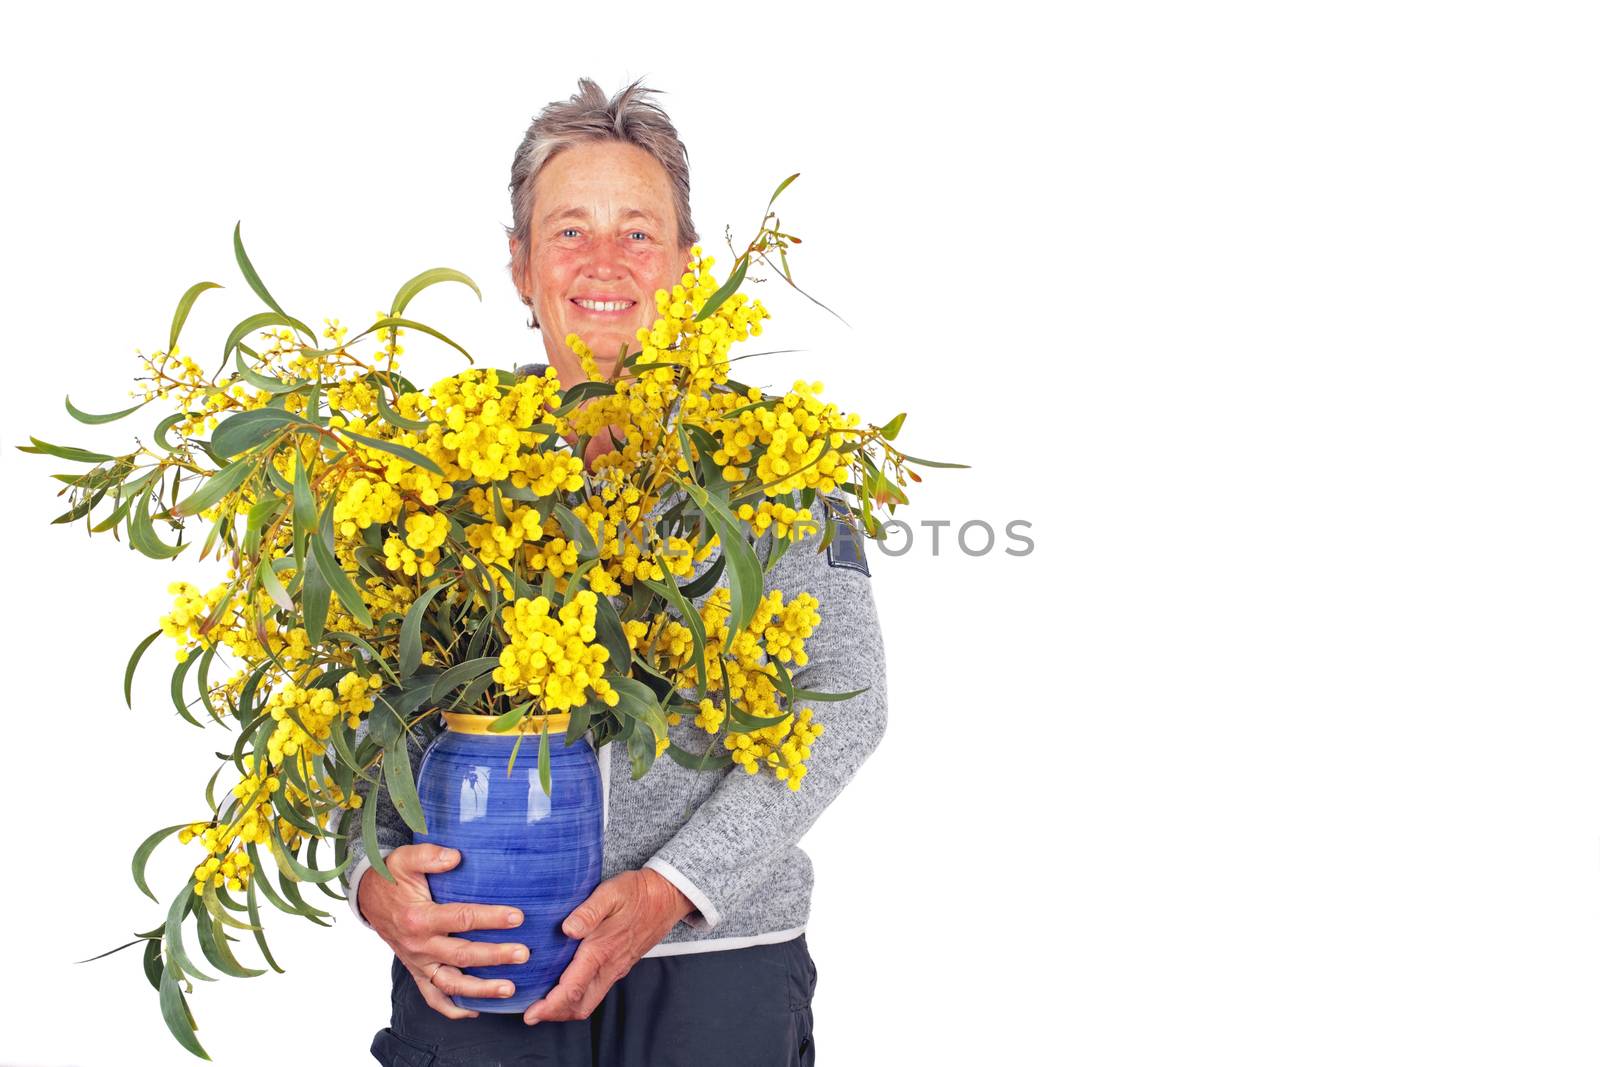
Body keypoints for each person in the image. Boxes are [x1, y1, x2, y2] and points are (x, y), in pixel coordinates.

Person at [336, 76, 889, 1067]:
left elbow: (843, 706)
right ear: (518, 263)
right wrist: (372, 873)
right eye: (567, 230)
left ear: (687, 264)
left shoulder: (780, 458)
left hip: (717, 966)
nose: (603, 261)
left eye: (638, 232)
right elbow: (356, 703)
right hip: (477, 955)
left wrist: (674, 886)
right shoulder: (424, 463)